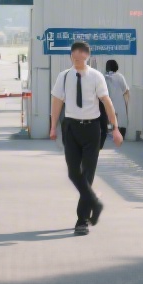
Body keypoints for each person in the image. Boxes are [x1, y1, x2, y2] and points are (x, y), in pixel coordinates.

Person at [50, 40, 122, 236]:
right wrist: (53, 126)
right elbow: (57, 102)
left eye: (81, 56)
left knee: (87, 175)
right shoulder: (63, 77)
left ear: (87, 56)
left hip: (92, 129)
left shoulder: (96, 77)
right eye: (75, 56)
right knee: (73, 173)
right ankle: (95, 203)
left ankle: (82, 220)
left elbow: (107, 103)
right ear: (71, 57)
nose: (78, 59)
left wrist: (115, 128)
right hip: (71, 127)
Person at [102, 59, 130, 147]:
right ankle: (120, 135)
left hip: (108, 101)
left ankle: (109, 132)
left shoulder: (104, 77)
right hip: (119, 100)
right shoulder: (119, 76)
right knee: (121, 118)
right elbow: (126, 90)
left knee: (109, 117)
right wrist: (127, 102)